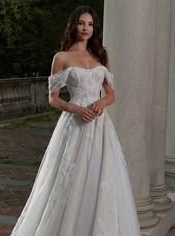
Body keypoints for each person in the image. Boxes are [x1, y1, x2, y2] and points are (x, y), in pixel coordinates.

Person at [11, 5, 141, 236]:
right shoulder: (61, 57)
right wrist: (76, 109)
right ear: (73, 25)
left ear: (95, 28)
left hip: (100, 127)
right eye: (82, 23)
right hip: (75, 124)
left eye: (90, 24)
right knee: (69, 179)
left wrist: (103, 102)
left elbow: (111, 93)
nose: (86, 28)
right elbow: (53, 99)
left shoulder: (101, 55)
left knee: (101, 177)